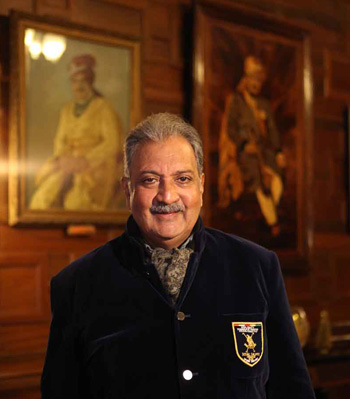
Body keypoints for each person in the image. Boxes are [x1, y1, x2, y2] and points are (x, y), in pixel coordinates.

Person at [41, 113, 315, 399]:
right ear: (127, 190)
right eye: (150, 180)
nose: (167, 196)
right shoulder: (75, 286)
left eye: (182, 179)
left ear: (201, 185)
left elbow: (293, 390)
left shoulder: (257, 266)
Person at [29, 54, 123, 211]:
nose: (79, 86)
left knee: (75, 204)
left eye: (83, 81)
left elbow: (112, 143)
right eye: (75, 81)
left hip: (95, 167)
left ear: (90, 82)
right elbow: (60, 141)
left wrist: (85, 160)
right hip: (68, 163)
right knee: (41, 200)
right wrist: (65, 159)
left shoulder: (103, 108)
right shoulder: (66, 111)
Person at [219, 56, 286, 236]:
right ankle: (273, 223)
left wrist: (278, 151)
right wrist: (243, 144)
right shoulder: (236, 101)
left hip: (266, 153)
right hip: (246, 154)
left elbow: (272, 130)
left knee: (277, 181)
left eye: (259, 80)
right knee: (258, 182)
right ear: (246, 79)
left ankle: (269, 214)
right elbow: (231, 128)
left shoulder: (264, 104)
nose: (256, 84)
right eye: (253, 79)